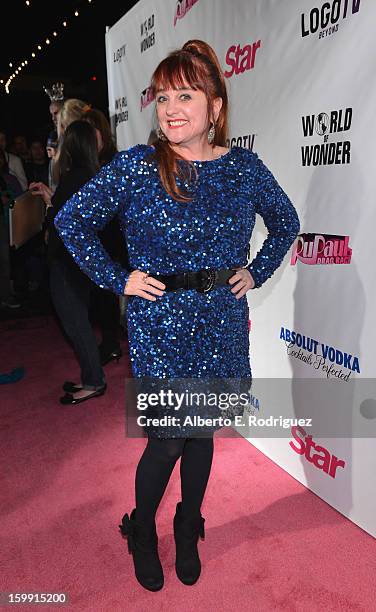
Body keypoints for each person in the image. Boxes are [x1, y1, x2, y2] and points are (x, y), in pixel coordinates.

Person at [55, 40, 300, 591]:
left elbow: (286, 221)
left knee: (203, 432)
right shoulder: (138, 167)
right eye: (162, 96)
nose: (169, 107)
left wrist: (255, 271)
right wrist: (119, 279)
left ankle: (188, 526)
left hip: (220, 318)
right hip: (161, 322)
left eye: (185, 94)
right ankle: (143, 529)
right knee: (168, 439)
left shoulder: (243, 168)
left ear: (215, 107)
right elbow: (72, 222)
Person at [44, 121, 106, 404]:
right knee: (79, 320)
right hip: (81, 262)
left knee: (76, 323)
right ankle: (90, 377)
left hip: (68, 263)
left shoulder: (74, 178)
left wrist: (49, 206)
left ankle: (94, 382)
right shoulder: (92, 175)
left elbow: (58, 221)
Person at [83, 107, 128, 364]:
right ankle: (110, 341)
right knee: (102, 293)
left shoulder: (114, 162)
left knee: (110, 293)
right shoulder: (92, 163)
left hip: (115, 237)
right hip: (101, 237)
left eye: (93, 132)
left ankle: (111, 342)